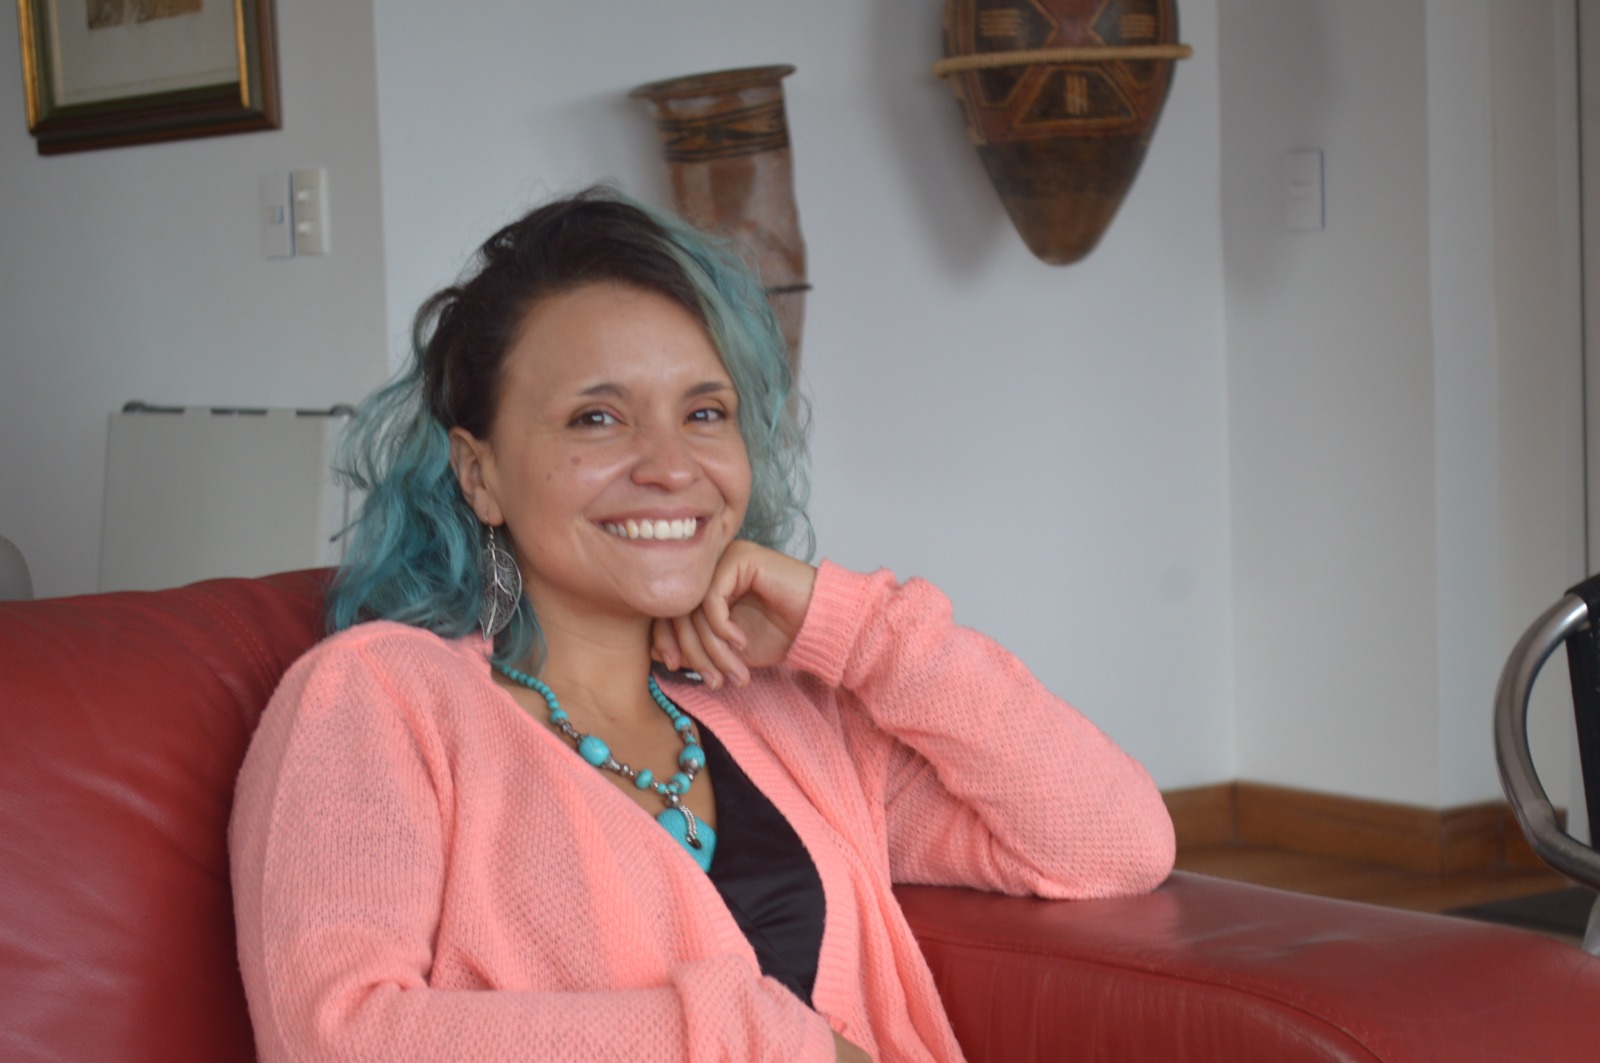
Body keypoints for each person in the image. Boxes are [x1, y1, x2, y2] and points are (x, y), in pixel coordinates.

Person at [229, 187, 1175, 1062]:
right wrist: (771, 1049)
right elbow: (337, 1036)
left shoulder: (791, 717)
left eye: (705, 412)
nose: (671, 466)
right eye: (598, 418)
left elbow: (1115, 843)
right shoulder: (381, 697)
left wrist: (855, 628)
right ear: (479, 474)